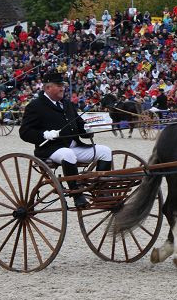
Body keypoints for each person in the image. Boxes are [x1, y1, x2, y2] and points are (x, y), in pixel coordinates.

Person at [19, 71, 112, 208]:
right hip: (51, 149)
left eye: (62, 85)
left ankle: (101, 190)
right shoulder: (36, 106)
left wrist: (87, 130)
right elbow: (24, 132)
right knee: (68, 154)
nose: (62, 88)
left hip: (74, 147)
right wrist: (44, 135)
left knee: (105, 151)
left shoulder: (67, 104)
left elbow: (80, 126)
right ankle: (77, 195)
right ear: (48, 88)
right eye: (58, 85)